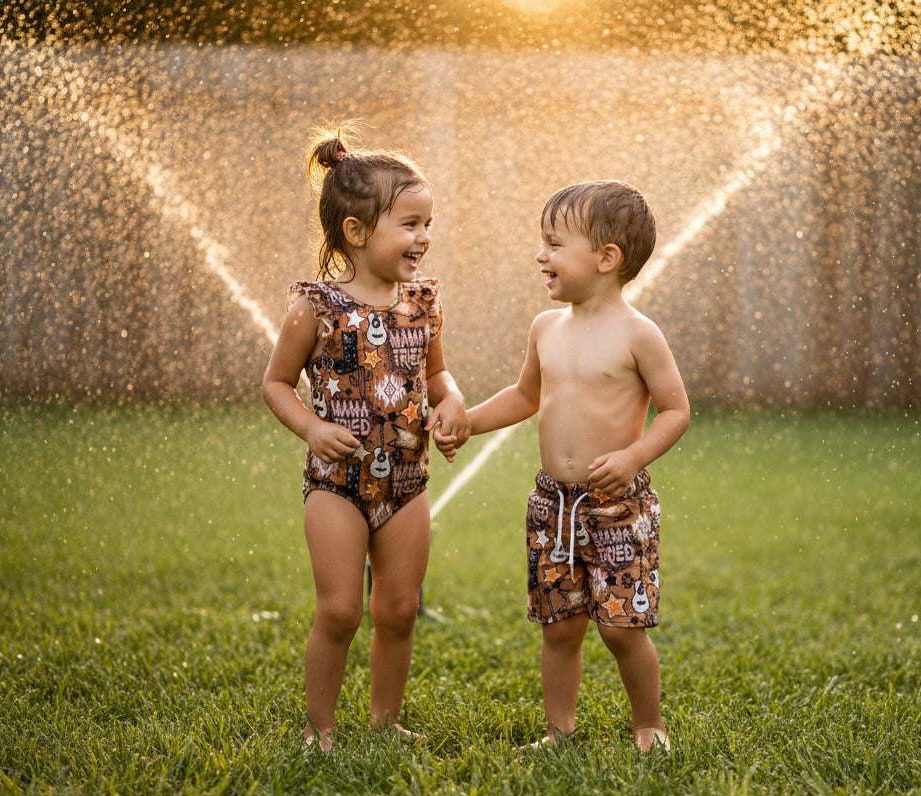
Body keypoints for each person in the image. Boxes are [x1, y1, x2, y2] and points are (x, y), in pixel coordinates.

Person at [462, 180, 690, 752]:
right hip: (552, 504)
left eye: (554, 244)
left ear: (606, 259)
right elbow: (523, 396)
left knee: (619, 627)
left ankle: (649, 724)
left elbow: (676, 411)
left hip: (615, 505)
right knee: (560, 627)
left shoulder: (639, 335)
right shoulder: (546, 328)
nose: (541, 255)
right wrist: (467, 422)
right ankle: (558, 733)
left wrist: (634, 455)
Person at [262, 122, 469, 751]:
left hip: (406, 483)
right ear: (356, 233)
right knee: (340, 610)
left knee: (398, 610)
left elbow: (436, 374)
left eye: (427, 223)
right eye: (409, 224)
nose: (423, 237)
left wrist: (453, 401)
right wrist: (312, 426)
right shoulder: (316, 306)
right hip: (336, 486)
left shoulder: (423, 302)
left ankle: (385, 721)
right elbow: (275, 383)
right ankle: (318, 728)